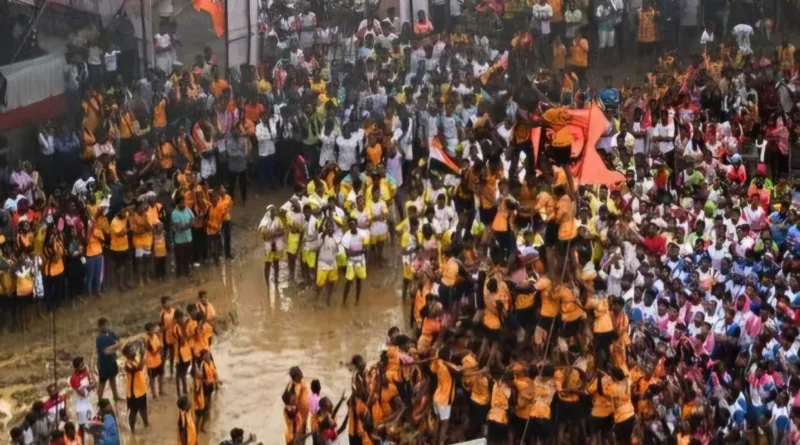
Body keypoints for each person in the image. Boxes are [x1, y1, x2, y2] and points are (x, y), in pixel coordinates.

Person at [95, 318, 121, 402]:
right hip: (103, 364)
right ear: (100, 327)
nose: (107, 327)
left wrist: (111, 348)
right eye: (105, 325)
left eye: (107, 325)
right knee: (102, 383)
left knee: (112, 378)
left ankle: (115, 396)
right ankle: (99, 401)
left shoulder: (110, 333)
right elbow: (105, 352)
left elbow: (120, 343)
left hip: (112, 361)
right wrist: (115, 347)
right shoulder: (99, 338)